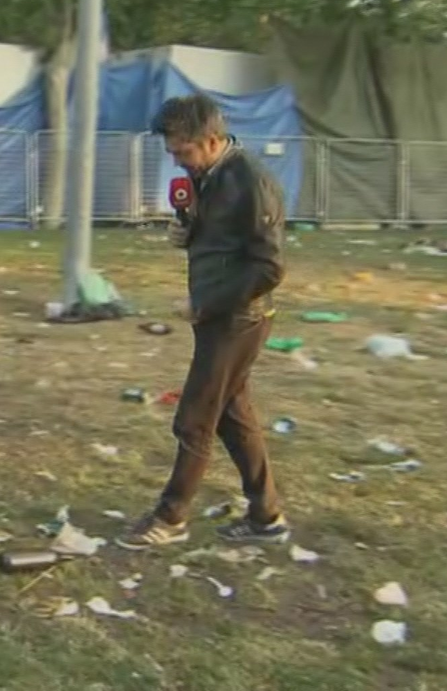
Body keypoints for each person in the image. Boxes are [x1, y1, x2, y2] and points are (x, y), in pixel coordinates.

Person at [116, 94, 289, 550]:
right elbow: (221, 235)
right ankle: (266, 515)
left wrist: (209, 303)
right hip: (217, 315)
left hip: (238, 319)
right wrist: (187, 229)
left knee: (195, 418)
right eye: (172, 151)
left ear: (211, 140)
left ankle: (172, 516)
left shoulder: (251, 181)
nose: (178, 160)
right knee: (233, 417)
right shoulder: (206, 176)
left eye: (183, 151)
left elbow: (269, 267)